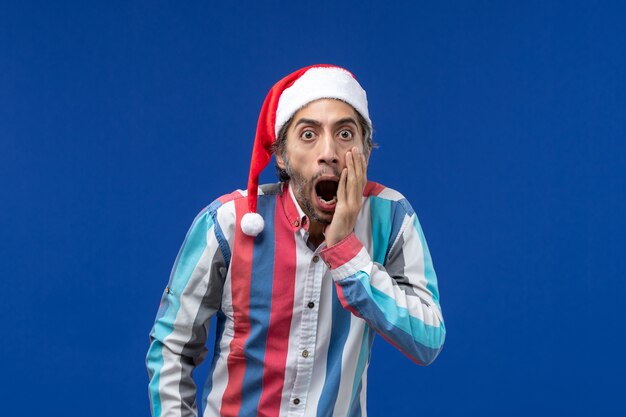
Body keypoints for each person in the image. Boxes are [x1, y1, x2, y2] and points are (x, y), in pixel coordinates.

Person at [146, 64, 445, 417]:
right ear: (282, 156)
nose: (329, 152)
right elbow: (172, 346)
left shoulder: (393, 219)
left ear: (366, 151)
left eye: (346, 134)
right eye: (308, 135)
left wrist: (347, 253)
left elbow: (427, 341)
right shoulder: (227, 224)